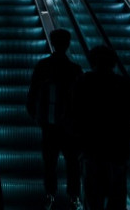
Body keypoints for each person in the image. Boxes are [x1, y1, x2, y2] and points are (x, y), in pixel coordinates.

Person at [70, 47, 130, 210]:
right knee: (116, 199)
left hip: (91, 150)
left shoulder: (83, 83)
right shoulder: (123, 85)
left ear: (92, 61)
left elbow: (72, 115)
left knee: (92, 198)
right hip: (118, 151)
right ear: (113, 62)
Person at [26, 29, 84, 210]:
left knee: (50, 162)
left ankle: (50, 195)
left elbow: (33, 92)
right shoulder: (75, 69)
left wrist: (35, 115)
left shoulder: (43, 66)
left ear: (52, 43)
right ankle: (74, 196)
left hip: (49, 124)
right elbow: (81, 99)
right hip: (70, 126)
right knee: (72, 162)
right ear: (67, 45)